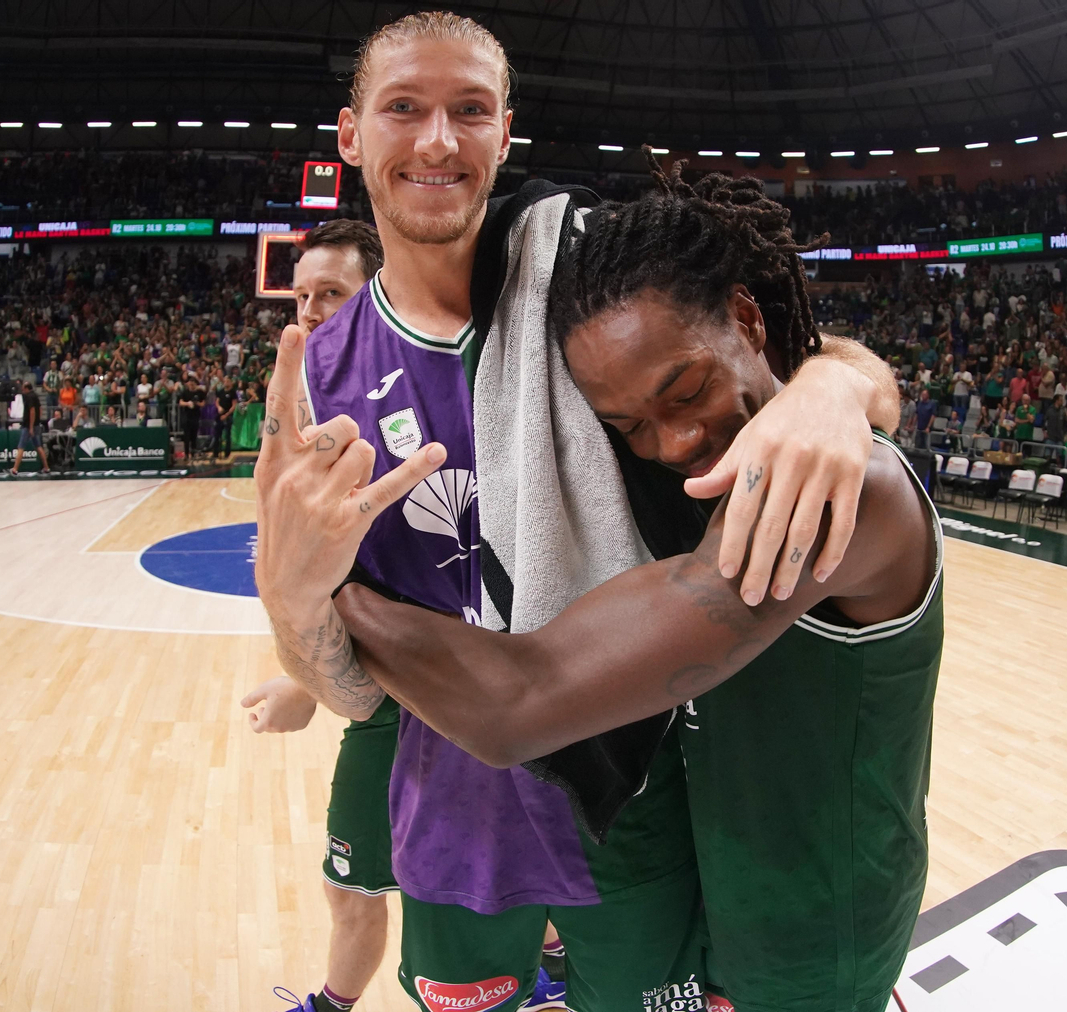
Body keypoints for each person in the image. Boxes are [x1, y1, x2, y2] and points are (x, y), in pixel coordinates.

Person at [254, 13, 896, 1012]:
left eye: (469, 110)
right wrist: (290, 604)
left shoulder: (590, 289)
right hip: (449, 802)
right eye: (404, 109)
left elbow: (805, 360)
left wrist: (834, 387)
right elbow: (337, 677)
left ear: (505, 134)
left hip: (626, 787)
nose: (436, 140)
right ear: (350, 135)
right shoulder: (317, 384)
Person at [241, 220, 467, 1012]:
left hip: (456, 692)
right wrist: (302, 671)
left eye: (329, 294)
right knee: (355, 887)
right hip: (388, 699)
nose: (308, 312)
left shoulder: (429, 389)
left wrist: (309, 680)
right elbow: (343, 592)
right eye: (300, 296)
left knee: (443, 898)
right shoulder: (305, 421)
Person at [10, 379, 47, 475]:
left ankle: (15, 469)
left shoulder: (29, 397)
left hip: (28, 426)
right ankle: (46, 467)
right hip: (36, 425)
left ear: (26, 389)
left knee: (21, 447)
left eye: (23, 389)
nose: (22, 391)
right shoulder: (35, 396)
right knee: (38, 446)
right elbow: (40, 408)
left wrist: (31, 427)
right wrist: (37, 421)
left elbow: (32, 411)